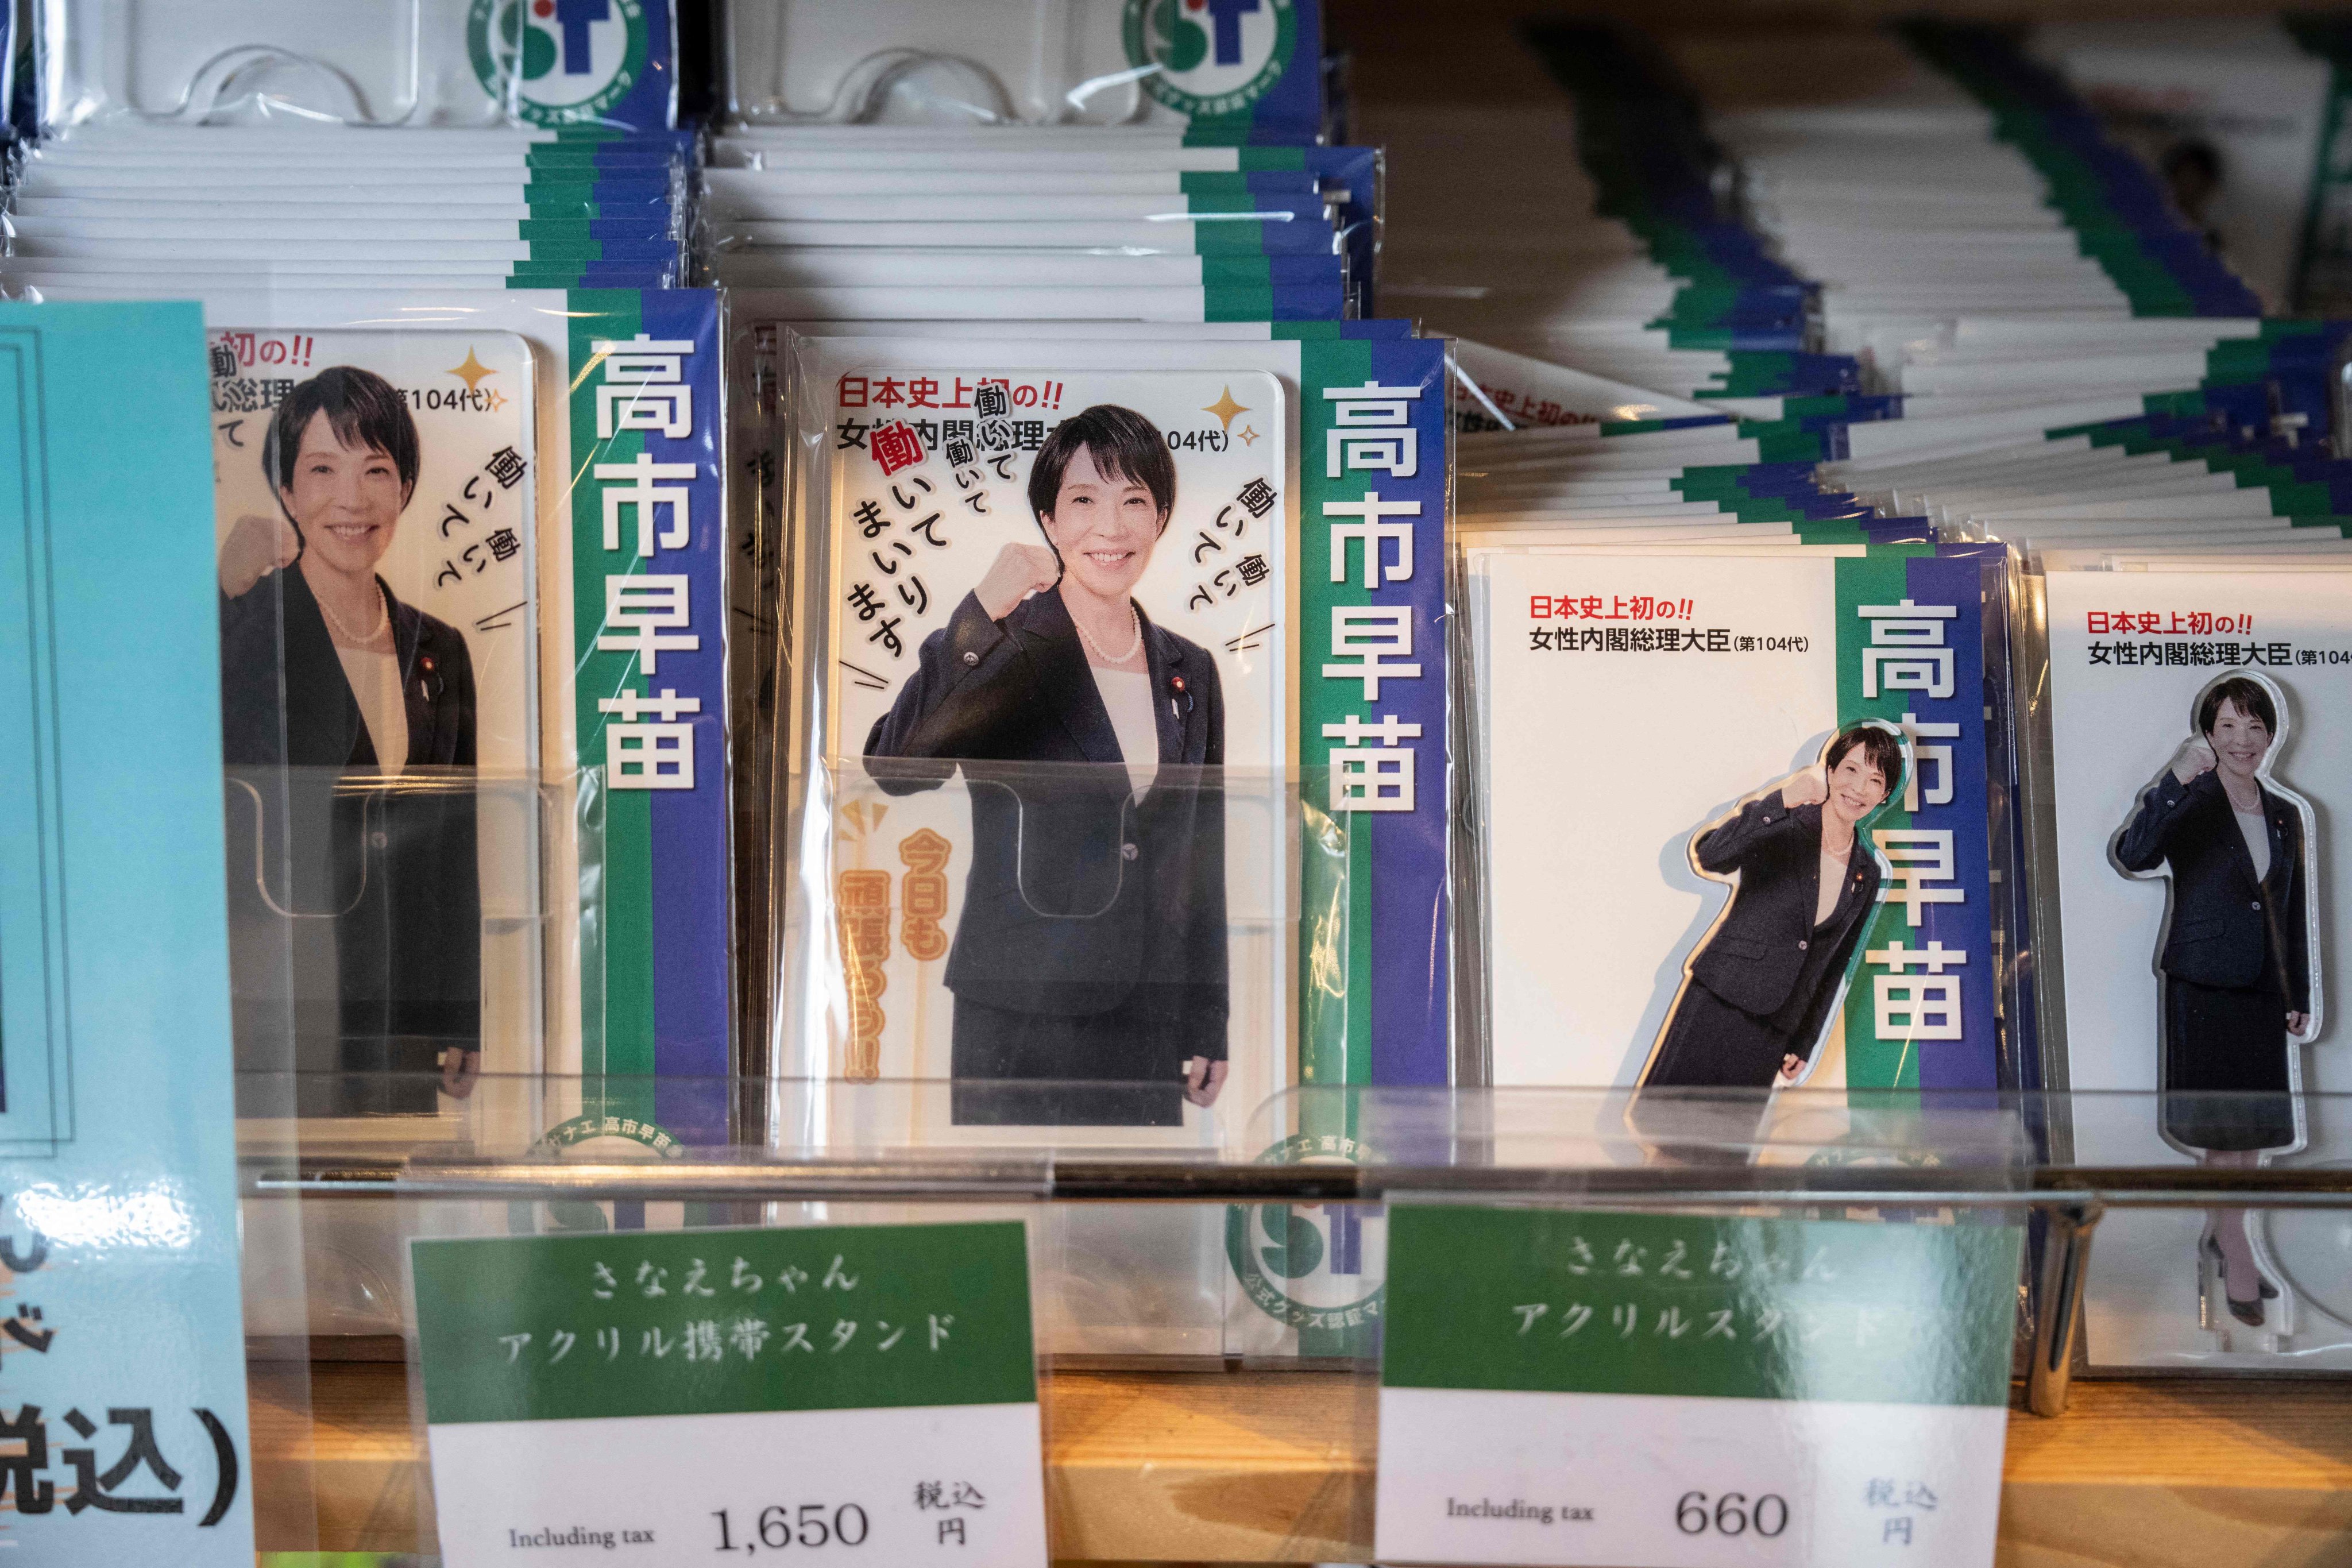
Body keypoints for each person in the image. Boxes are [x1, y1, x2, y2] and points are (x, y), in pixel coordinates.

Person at [864, 404, 1228, 1126]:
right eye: (1084, 501)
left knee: (1129, 1231)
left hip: (1146, 1010)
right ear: (1049, 519)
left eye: (1135, 502)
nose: (1111, 528)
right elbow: (895, 768)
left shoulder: (1190, 669)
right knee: (1014, 1227)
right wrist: (981, 609)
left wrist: (1207, 1017)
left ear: (1160, 519)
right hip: (1018, 1002)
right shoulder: (1005, 648)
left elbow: (1198, 856)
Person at [217, 366, 481, 1115]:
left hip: (399, 1007)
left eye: (376, 470)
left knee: (381, 1217)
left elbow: (452, 845)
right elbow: (188, 754)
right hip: (278, 1000)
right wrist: (221, 598)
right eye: (322, 469)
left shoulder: (440, 647)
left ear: (403, 489)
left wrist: (461, 1014)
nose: (351, 498)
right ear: (287, 490)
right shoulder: (249, 621)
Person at [2115, 674, 2314, 1327]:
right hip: (2202, 980)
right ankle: (2235, 1245)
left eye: (2256, 727)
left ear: (2271, 736)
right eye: (2228, 725)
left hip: (2261, 987)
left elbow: (2290, 908)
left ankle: (2226, 1234)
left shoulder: (2283, 812)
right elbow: (2135, 853)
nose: (2243, 740)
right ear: (2207, 732)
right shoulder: (2193, 801)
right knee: (2217, 1127)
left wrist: (2299, 992)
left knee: (2251, 1127)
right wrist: (2173, 778)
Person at [1640, 724, 1903, 1092]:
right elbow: (1710, 856)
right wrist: (1780, 801)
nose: (1859, 789)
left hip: (1777, 1026)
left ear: (1885, 794)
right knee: (1668, 1123)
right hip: (1720, 998)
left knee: (1730, 1142)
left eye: (1875, 780)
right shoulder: (1785, 823)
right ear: (1830, 770)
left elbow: (1835, 966)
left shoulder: (1868, 871)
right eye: (1851, 770)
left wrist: (1805, 1041)